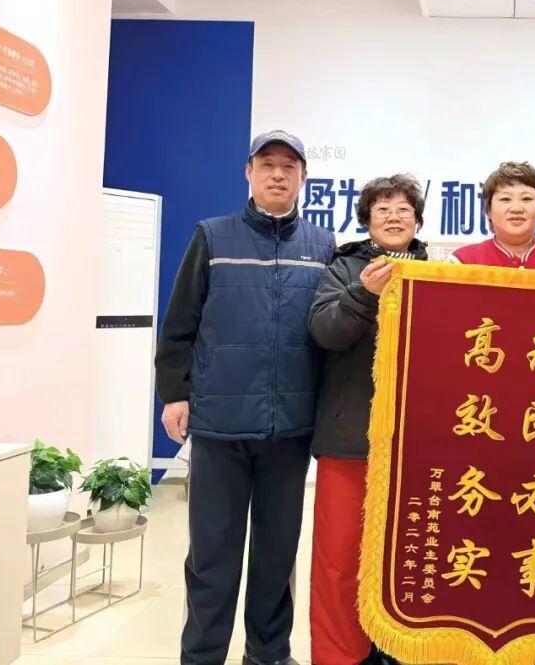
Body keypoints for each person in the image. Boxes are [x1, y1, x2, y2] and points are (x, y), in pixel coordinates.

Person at [155, 130, 334, 665]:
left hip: (291, 428)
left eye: (289, 166)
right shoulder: (213, 237)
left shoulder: (323, 246)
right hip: (220, 424)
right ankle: (202, 655)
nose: (278, 174)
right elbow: (180, 323)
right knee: (212, 556)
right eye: (267, 164)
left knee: (277, 555)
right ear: (248, 173)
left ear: (303, 178)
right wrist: (174, 394)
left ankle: (269, 653)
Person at [307, 174, 428, 665]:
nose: (394, 216)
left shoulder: (438, 272)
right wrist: (362, 293)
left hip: (417, 446)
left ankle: (402, 650)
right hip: (349, 438)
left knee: (409, 557)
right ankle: (340, 656)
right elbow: (324, 331)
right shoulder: (343, 268)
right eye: (383, 209)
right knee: (340, 558)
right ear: (367, 220)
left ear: (417, 219)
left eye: (403, 209)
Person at [449, 160, 535, 271]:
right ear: (488, 210)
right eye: (505, 199)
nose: (516, 209)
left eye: (526, 199)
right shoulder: (461, 262)